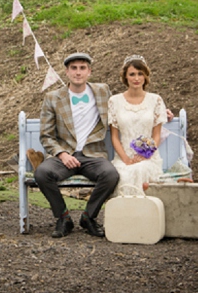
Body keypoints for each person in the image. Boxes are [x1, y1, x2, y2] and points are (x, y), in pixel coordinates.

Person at [35, 52, 119, 238]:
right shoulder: (53, 97)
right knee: (42, 173)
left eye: (82, 68)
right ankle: (63, 218)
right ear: (67, 72)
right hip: (65, 155)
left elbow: (124, 106)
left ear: (89, 72)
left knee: (110, 175)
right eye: (74, 68)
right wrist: (62, 154)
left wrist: (161, 111)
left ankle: (88, 217)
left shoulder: (103, 91)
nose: (78, 72)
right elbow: (46, 135)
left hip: (92, 155)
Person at [108, 55, 167, 197]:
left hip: (148, 156)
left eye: (140, 74)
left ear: (145, 76)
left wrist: (145, 154)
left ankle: (144, 214)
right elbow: (114, 137)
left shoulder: (155, 100)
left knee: (140, 170)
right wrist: (126, 159)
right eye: (132, 74)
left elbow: (156, 135)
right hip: (124, 156)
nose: (136, 78)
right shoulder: (114, 101)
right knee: (124, 174)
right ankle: (125, 214)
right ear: (125, 77)